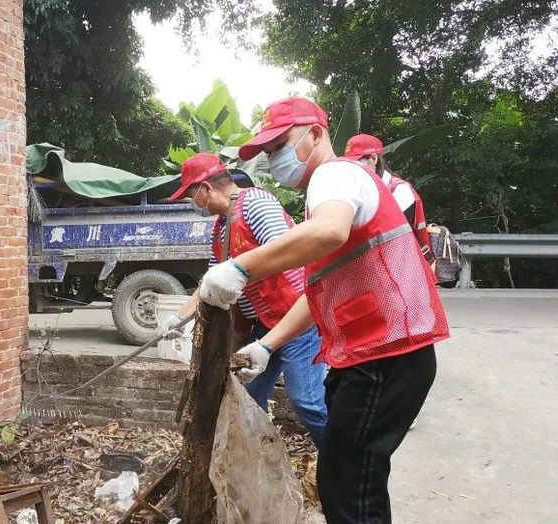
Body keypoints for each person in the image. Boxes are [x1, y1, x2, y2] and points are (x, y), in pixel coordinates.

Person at [197, 98, 449, 523]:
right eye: (268, 152)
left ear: (316, 134)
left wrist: (242, 266)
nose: (273, 160)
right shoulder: (328, 191)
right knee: (349, 478)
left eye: (280, 147)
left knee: (349, 483)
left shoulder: (333, 175)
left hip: (386, 357)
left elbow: (329, 232)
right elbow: (320, 294)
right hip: (375, 358)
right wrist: (266, 345)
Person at [164, 152, 328, 447]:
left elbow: (288, 251)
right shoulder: (222, 227)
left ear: (205, 188)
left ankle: (343, 462)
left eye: (191, 195)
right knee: (248, 396)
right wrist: (179, 316)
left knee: (307, 402)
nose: (193, 203)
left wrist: (242, 271)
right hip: (264, 323)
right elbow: (213, 283)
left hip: (296, 317)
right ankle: (260, 457)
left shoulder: (254, 203)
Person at [344, 133, 433, 262]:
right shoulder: (363, 191)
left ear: (373, 159)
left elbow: (395, 238)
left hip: (405, 264)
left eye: (357, 163)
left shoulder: (400, 190)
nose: (353, 170)